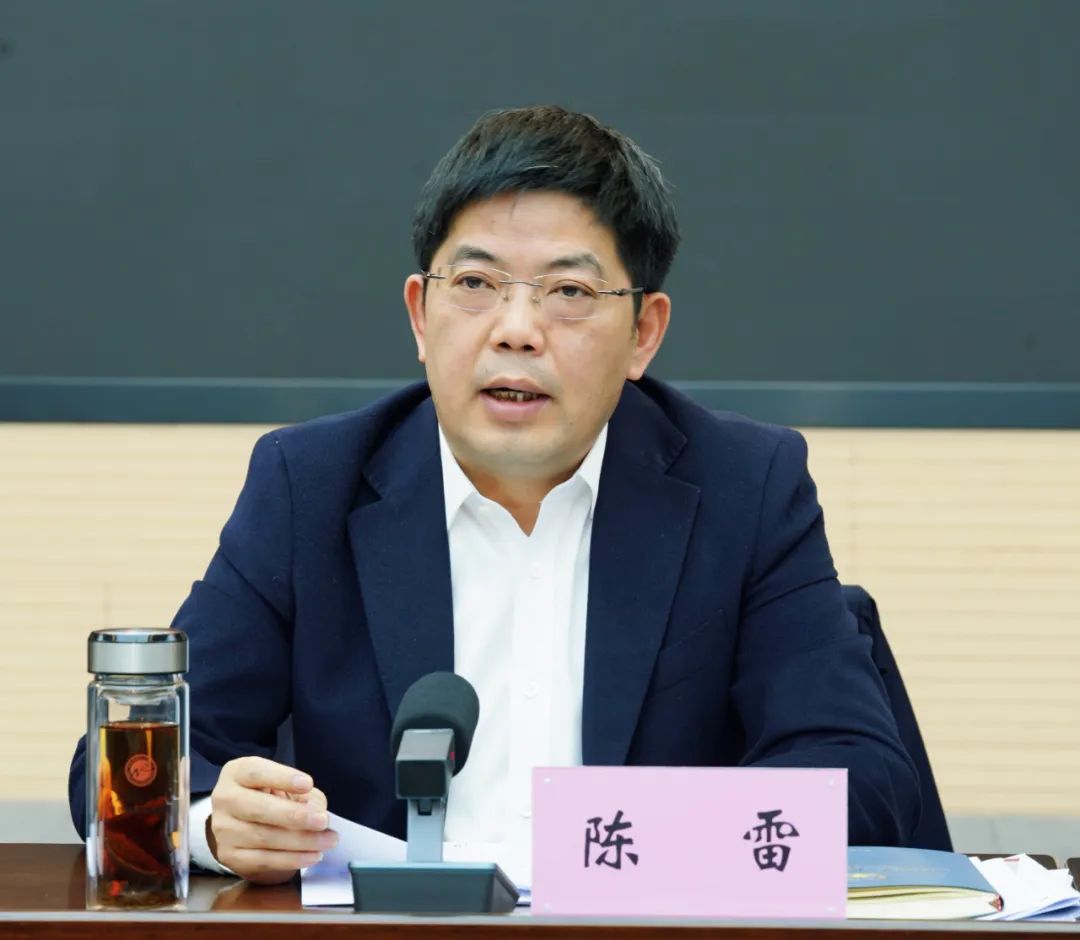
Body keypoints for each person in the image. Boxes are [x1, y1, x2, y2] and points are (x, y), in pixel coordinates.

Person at [69, 105, 919, 884]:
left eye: (570, 292)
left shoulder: (745, 486)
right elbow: (125, 768)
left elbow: (861, 778)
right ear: (420, 314)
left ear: (644, 333)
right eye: (476, 285)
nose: (516, 329)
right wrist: (213, 823)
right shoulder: (310, 485)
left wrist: (620, 853)